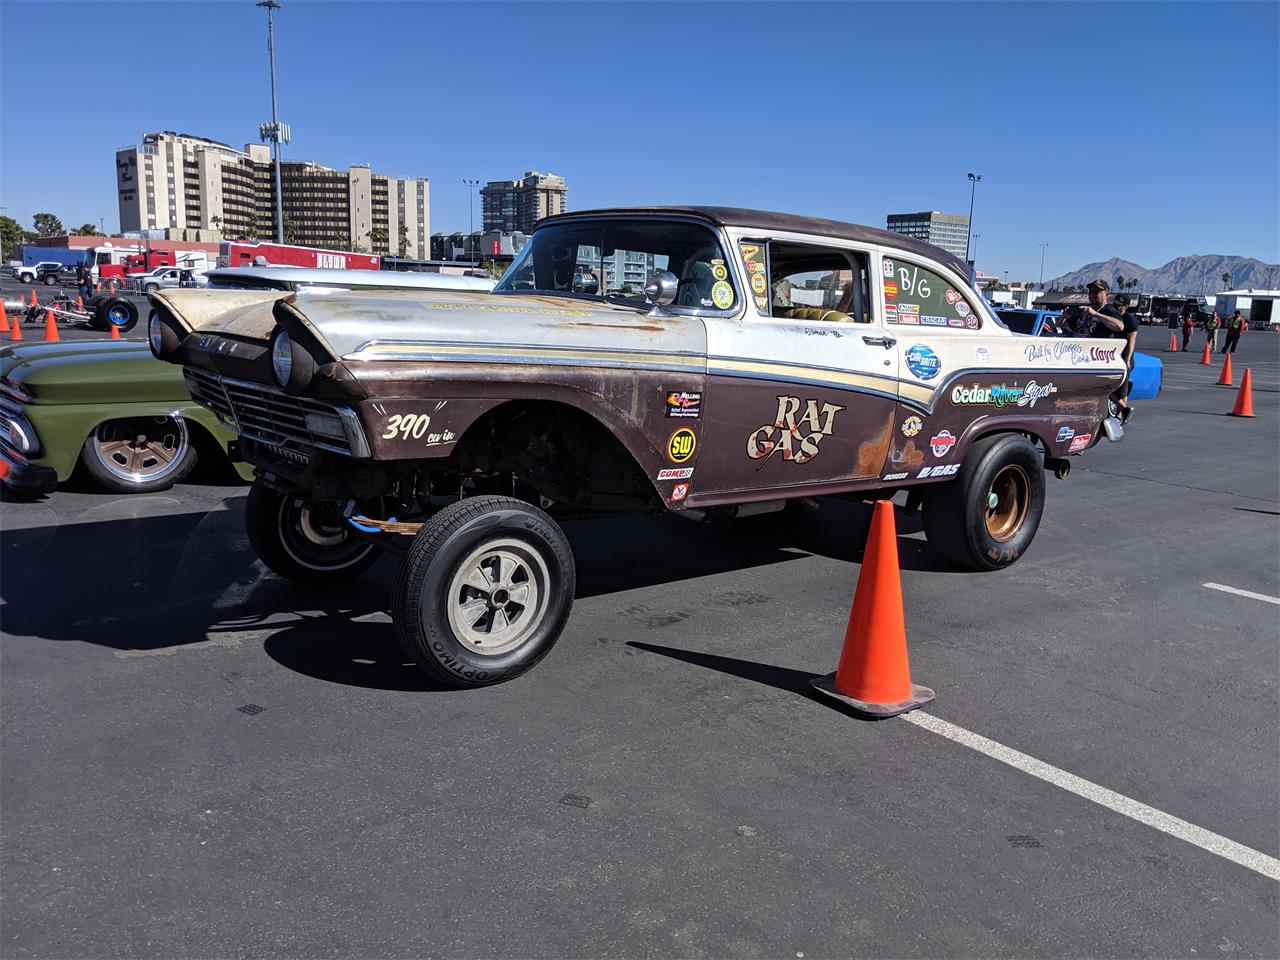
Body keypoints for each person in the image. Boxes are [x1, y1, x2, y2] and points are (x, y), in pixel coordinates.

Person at [1062, 279, 1134, 422]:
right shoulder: (1083, 311)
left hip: (1095, 357)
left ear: (1106, 294)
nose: (1093, 295)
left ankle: (1121, 410)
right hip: (1076, 354)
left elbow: (1119, 326)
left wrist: (1095, 314)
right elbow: (1064, 328)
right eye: (1090, 292)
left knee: (1095, 385)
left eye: (1097, 292)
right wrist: (1065, 316)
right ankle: (1122, 409)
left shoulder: (1109, 310)